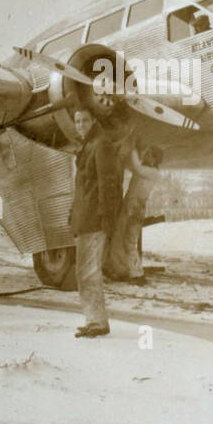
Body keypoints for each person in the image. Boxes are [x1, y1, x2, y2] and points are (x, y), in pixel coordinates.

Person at [67, 107, 122, 338]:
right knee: (84, 272)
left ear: (93, 120)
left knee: (89, 272)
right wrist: (73, 214)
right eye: (77, 121)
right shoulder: (88, 145)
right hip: (85, 219)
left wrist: (106, 220)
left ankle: (98, 322)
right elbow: (82, 189)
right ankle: (93, 319)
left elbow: (108, 185)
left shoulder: (100, 144)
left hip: (94, 220)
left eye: (84, 120)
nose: (80, 125)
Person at [107, 143, 163, 283]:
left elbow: (136, 167)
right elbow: (136, 167)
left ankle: (136, 274)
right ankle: (125, 270)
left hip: (134, 209)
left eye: (149, 153)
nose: (146, 155)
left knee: (128, 242)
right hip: (133, 208)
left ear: (154, 159)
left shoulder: (151, 172)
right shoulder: (150, 171)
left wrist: (132, 148)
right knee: (123, 240)